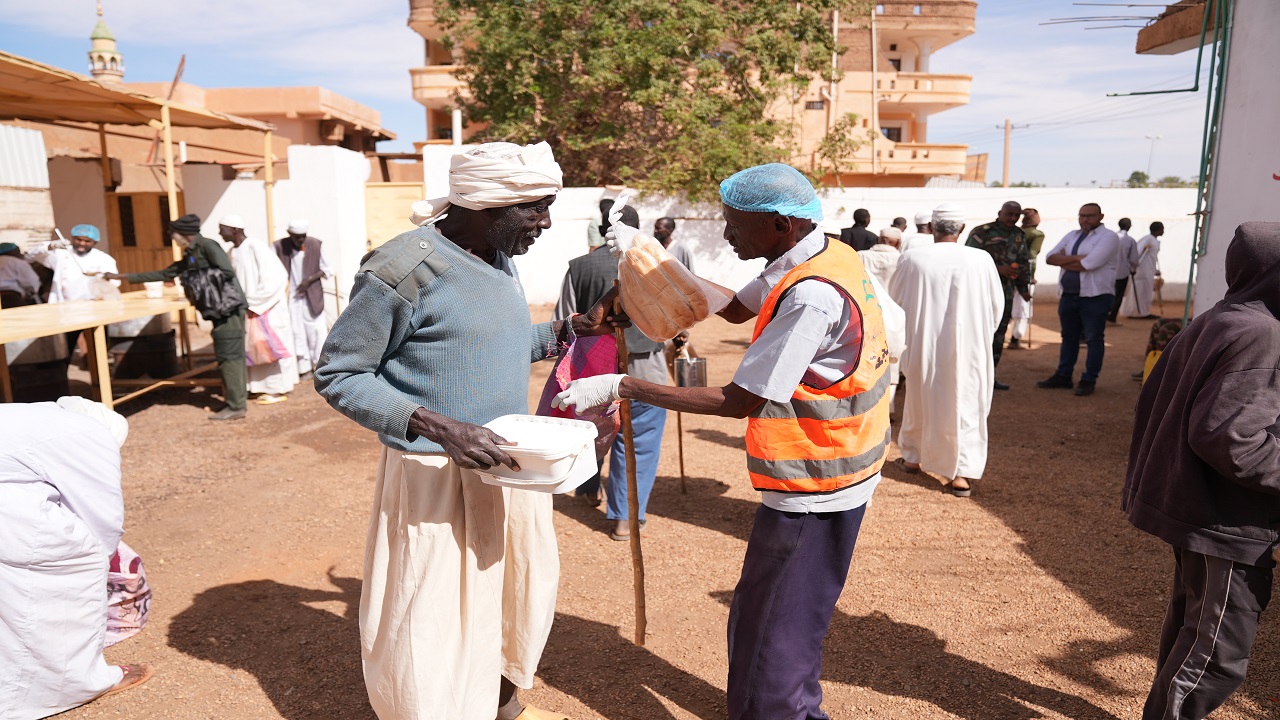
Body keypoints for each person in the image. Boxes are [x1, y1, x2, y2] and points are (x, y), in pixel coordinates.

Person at [554, 163, 892, 720]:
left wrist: (622, 385)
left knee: (776, 624)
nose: (727, 234)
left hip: (816, 477)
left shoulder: (810, 295)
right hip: (838, 466)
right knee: (778, 610)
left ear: (780, 224)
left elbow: (740, 401)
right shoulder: (820, 254)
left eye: (735, 223)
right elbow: (734, 308)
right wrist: (645, 266)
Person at [314, 141, 622, 720]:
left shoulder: (498, 255)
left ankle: (502, 707)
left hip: (507, 467)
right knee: (432, 620)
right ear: (486, 204)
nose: (545, 222)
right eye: (535, 209)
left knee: (508, 602)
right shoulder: (404, 269)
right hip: (434, 474)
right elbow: (339, 373)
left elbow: (485, 347)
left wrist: (569, 329)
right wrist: (438, 426)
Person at [1122, 222, 1280, 720]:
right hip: (1225, 520)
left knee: (1193, 632)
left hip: (1198, 506)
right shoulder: (1262, 333)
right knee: (1215, 656)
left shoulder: (1222, 316)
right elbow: (1228, 437)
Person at [0, 397, 152, 719]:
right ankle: (71, 686)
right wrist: (102, 565)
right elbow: (102, 517)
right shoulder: (92, 436)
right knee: (79, 563)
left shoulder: (37, 417)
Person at [554, 205, 670, 539]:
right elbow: (672, 320)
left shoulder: (579, 266)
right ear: (639, 229)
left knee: (590, 428)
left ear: (606, 229)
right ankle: (624, 517)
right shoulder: (658, 266)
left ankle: (588, 488)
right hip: (644, 366)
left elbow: (565, 319)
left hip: (590, 366)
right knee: (638, 440)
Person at [888, 203, 1003, 497]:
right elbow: (996, 306)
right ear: (962, 228)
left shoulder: (912, 258)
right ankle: (961, 473)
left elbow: (895, 302)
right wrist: (980, 335)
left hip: (923, 343)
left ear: (932, 228)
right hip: (969, 346)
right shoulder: (981, 259)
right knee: (966, 403)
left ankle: (912, 457)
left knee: (919, 398)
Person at [104, 213, 248, 420]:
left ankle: (236, 406)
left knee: (230, 358)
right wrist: (121, 277)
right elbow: (166, 273)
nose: (172, 238)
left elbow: (227, 272)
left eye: (173, 234)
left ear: (183, 234)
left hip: (228, 311)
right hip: (219, 311)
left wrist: (193, 279)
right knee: (229, 356)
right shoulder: (192, 251)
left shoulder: (208, 246)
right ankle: (235, 402)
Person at [1036, 203, 1121, 397]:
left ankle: (1089, 379)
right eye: (1082, 215)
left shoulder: (1108, 237)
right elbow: (1049, 258)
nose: (1085, 219)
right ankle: (1064, 375)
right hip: (1069, 295)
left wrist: (1067, 260)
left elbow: (1089, 264)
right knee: (1069, 337)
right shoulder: (1072, 235)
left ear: (1101, 216)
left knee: (1093, 338)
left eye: (1090, 216)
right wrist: (1077, 258)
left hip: (1095, 297)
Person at [220, 215, 298, 404]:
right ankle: (256, 388)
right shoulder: (232, 252)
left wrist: (253, 302)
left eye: (222, 229)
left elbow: (276, 278)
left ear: (234, 230)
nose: (220, 233)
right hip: (249, 308)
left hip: (266, 308)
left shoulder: (256, 246)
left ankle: (276, 390)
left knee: (270, 346)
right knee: (254, 348)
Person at [965, 201, 1030, 389]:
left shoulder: (1019, 235)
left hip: (1005, 293)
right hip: (981, 292)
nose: (1012, 218)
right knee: (976, 332)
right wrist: (996, 269)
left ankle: (989, 377)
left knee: (999, 334)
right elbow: (968, 260)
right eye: (1009, 214)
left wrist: (1023, 288)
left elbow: (1023, 262)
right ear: (1000, 212)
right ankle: (970, 377)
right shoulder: (982, 232)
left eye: (1016, 215)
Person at [274, 220, 332, 376]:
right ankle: (303, 368)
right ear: (290, 234)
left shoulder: (316, 244)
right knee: (296, 331)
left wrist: (309, 280)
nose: (300, 239)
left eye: (303, 236)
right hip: (292, 298)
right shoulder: (279, 246)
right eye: (297, 236)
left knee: (316, 331)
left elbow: (327, 269)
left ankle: (319, 366)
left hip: (312, 296)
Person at [26, 224, 120, 304]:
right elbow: (30, 256)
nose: (82, 243)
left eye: (87, 241)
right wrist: (51, 246)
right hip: (62, 304)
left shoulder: (104, 259)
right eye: (78, 239)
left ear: (95, 242)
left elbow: (115, 282)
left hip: (92, 305)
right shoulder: (61, 254)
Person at [1008, 208, 1045, 349]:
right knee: (1023, 307)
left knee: (1006, 305)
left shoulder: (1015, 232)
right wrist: (1030, 275)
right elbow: (1032, 255)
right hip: (1024, 274)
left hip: (1008, 272)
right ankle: (1015, 338)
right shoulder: (1037, 234)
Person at [1122, 221, 1164, 319]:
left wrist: (1155, 270)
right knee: (1141, 292)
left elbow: (1151, 258)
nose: (1163, 231)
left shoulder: (1153, 240)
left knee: (1145, 291)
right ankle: (1140, 313)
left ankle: (1140, 312)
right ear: (1158, 230)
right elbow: (1138, 252)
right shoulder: (1148, 239)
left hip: (1148, 271)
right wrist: (1133, 267)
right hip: (1142, 271)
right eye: (1162, 229)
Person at [1109, 217, 1140, 324]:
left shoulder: (1110, 237)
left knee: (1107, 293)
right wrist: (1133, 269)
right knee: (1118, 295)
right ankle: (1111, 318)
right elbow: (1134, 259)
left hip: (1108, 272)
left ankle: (1105, 315)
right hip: (1122, 272)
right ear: (1128, 226)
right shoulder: (1130, 240)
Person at [0, 242, 41, 306]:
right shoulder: (17, 262)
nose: (21, 254)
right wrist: (30, 293)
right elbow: (32, 282)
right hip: (11, 298)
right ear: (11, 252)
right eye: (18, 251)